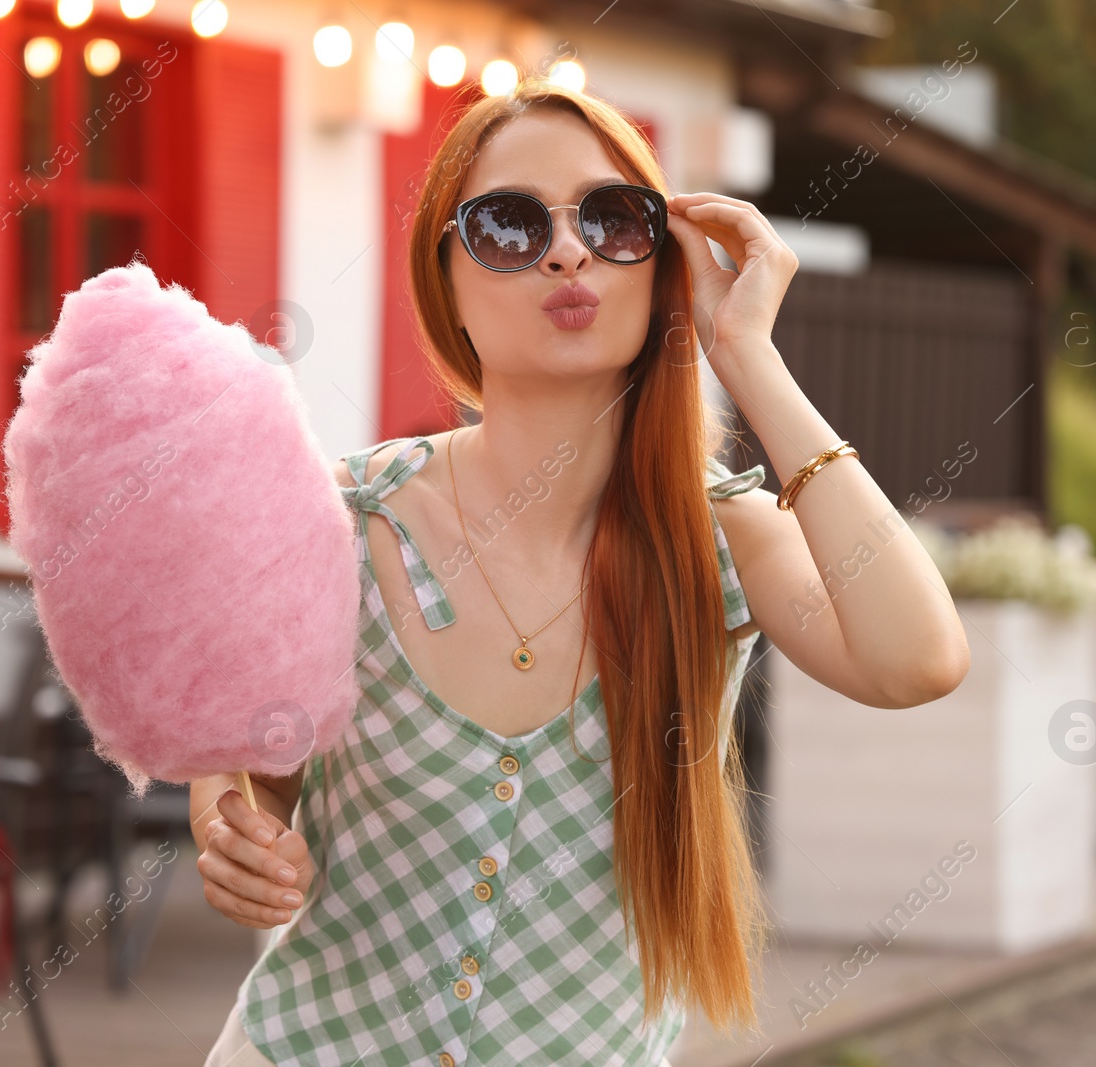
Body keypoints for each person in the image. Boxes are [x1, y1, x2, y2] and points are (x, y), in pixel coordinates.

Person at [189, 78, 969, 1067]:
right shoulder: (337, 518)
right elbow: (250, 764)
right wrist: (227, 818)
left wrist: (749, 354)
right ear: (450, 284)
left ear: (663, 267)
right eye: (509, 225)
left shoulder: (722, 535)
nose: (568, 251)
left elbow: (919, 660)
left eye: (614, 219)